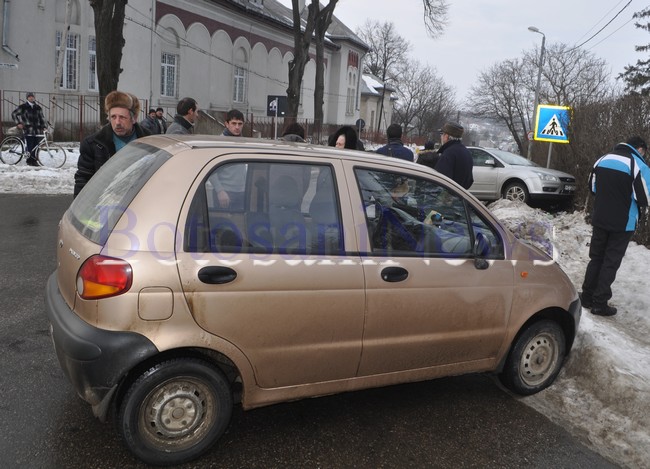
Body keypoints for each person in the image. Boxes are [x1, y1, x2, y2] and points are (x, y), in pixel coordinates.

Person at [580, 136, 650, 316]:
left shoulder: (603, 159)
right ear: (640, 149)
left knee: (596, 258)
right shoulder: (638, 166)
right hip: (622, 223)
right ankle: (600, 303)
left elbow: (593, 187)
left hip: (600, 218)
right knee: (610, 262)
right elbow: (645, 199)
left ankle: (586, 296)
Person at [74, 91, 151, 197]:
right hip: (104, 204)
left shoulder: (150, 140)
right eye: (113, 117)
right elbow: (83, 180)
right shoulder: (93, 144)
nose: (117, 122)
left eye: (122, 117)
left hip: (140, 201)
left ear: (134, 118)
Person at [210, 109, 246, 209]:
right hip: (224, 193)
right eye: (234, 123)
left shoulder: (244, 142)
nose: (237, 127)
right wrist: (220, 190)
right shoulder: (219, 143)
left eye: (240, 124)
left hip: (241, 192)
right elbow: (211, 170)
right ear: (226, 124)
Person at [435, 122, 474, 189]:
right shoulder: (466, 152)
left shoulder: (448, 154)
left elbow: (440, 183)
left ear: (446, 136)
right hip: (461, 195)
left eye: (441, 134)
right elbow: (470, 180)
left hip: (449, 197)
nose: (440, 137)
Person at [11, 92, 47, 166]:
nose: (31, 98)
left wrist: (44, 126)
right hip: (28, 129)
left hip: (37, 130)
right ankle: (29, 160)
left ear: (34, 97)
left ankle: (33, 160)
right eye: (29, 96)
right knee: (30, 145)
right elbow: (14, 114)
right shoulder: (23, 107)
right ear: (27, 98)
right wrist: (18, 123)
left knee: (35, 146)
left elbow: (42, 118)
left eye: (32, 96)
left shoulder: (38, 107)